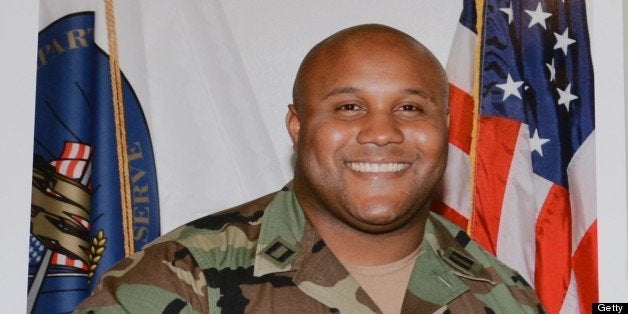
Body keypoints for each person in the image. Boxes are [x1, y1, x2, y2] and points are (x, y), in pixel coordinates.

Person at [76, 24, 543, 313]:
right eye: (348, 107)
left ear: (443, 128)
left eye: (409, 108)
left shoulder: (503, 293)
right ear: (298, 127)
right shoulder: (181, 277)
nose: (382, 132)